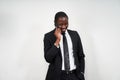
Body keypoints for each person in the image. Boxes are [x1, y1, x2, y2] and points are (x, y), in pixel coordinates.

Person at [44, 11, 85, 80]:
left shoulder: (75, 34)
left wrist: (81, 72)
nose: (64, 26)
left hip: (75, 75)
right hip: (57, 76)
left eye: (66, 24)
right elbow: (48, 58)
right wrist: (57, 40)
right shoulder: (48, 37)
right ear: (55, 23)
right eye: (60, 24)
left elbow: (81, 55)